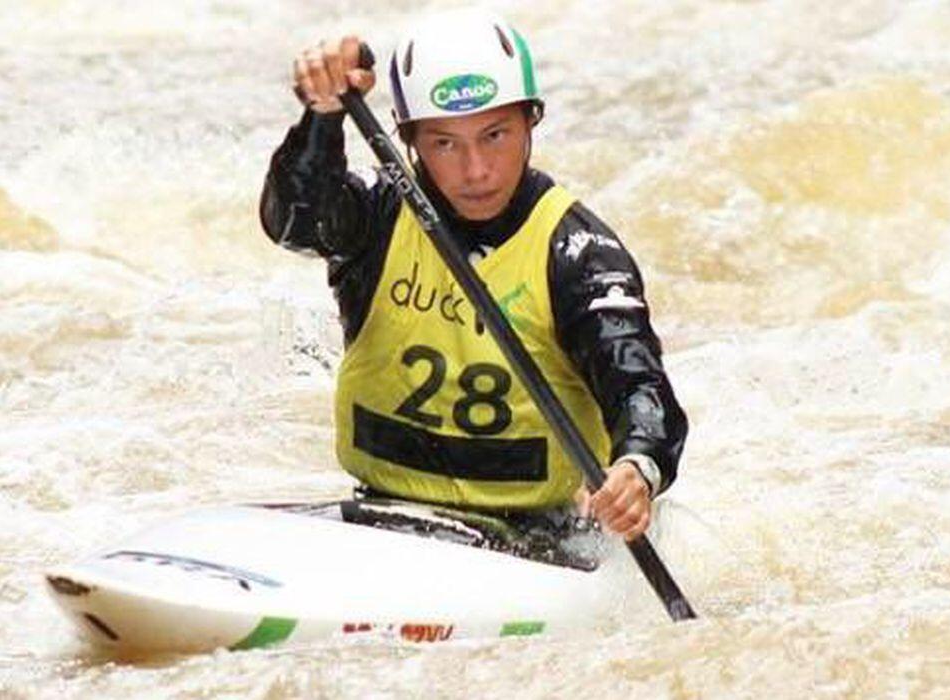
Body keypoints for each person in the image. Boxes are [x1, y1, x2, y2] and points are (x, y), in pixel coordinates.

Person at [259, 9, 687, 542]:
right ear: (410, 140)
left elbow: (638, 383)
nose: (476, 169)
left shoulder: (578, 253)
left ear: (531, 120)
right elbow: (295, 222)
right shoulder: (377, 215)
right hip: (383, 510)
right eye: (444, 143)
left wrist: (637, 468)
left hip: (536, 534)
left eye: (495, 135)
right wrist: (323, 116)